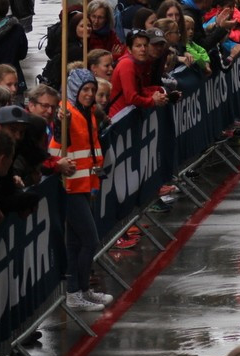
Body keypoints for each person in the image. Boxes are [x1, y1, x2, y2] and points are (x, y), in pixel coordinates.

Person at [47, 70, 114, 312]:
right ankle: (76, 291)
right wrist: (59, 120)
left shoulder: (88, 114)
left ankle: (81, 290)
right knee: (89, 240)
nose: (89, 94)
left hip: (85, 184)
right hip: (70, 187)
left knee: (76, 242)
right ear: (74, 90)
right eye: (85, 90)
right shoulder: (67, 113)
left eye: (92, 90)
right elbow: (57, 134)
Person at [109, 30, 170, 116]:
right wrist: (152, 101)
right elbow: (131, 98)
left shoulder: (138, 63)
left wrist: (159, 92)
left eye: (145, 45)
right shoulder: (127, 64)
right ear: (129, 49)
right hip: (119, 118)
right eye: (138, 46)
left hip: (127, 116)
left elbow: (140, 91)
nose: (143, 49)